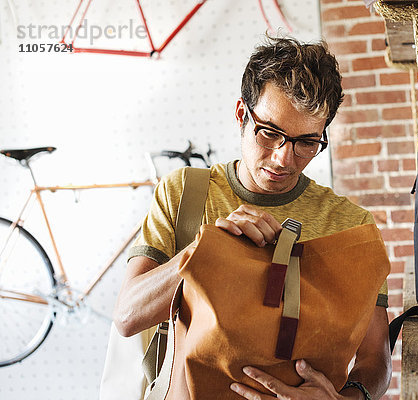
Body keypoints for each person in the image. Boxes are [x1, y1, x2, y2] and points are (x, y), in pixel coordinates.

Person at [114, 36, 392, 399]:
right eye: (270, 133)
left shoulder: (351, 227)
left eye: (307, 142)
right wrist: (202, 251)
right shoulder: (185, 194)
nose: (283, 159)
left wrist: (347, 398)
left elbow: (376, 359)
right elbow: (127, 316)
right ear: (242, 115)